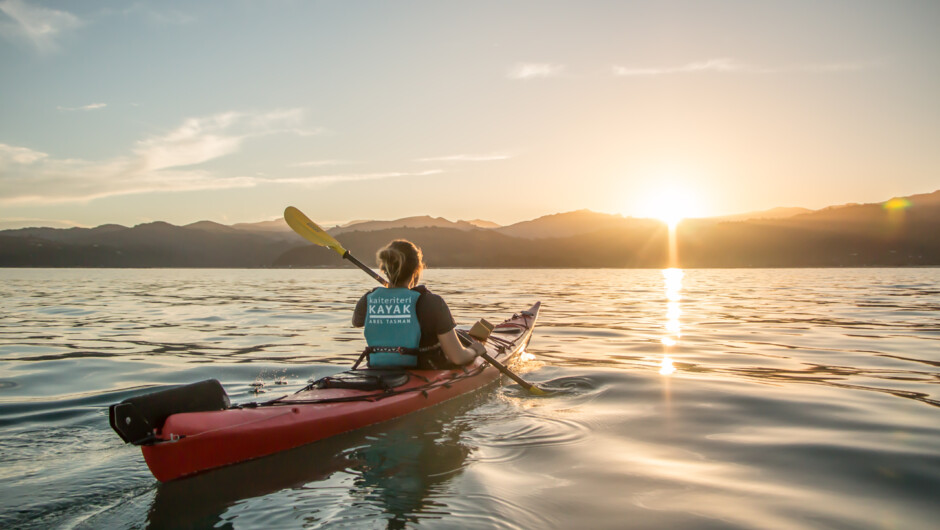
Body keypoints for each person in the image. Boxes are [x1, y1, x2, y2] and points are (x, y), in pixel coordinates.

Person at [352, 239, 485, 369]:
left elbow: (356, 322)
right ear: (417, 269)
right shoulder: (432, 303)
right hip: (425, 370)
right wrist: (474, 350)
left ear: (385, 269)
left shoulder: (368, 299)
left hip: (378, 371)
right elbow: (458, 358)